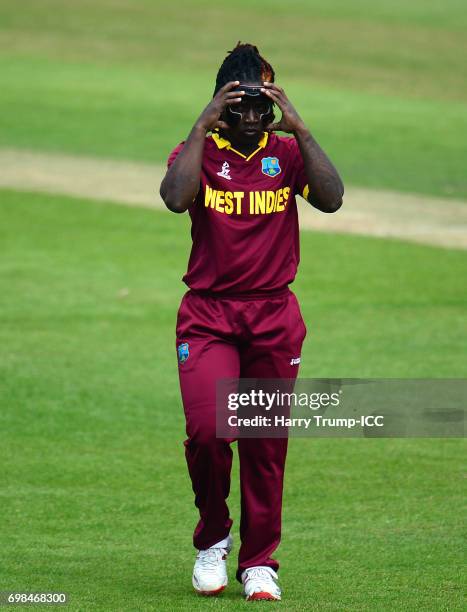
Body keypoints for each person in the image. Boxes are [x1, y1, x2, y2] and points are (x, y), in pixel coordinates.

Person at [160, 42, 343, 602]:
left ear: (272, 106)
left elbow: (332, 200)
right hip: (209, 317)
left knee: (265, 443)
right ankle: (213, 539)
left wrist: (302, 130)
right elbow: (174, 198)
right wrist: (201, 125)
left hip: (272, 315)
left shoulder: (287, 157)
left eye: (259, 106)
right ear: (220, 104)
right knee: (210, 431)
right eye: (236, 106)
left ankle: (259, 563)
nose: (249, 118)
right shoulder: (197, 151)